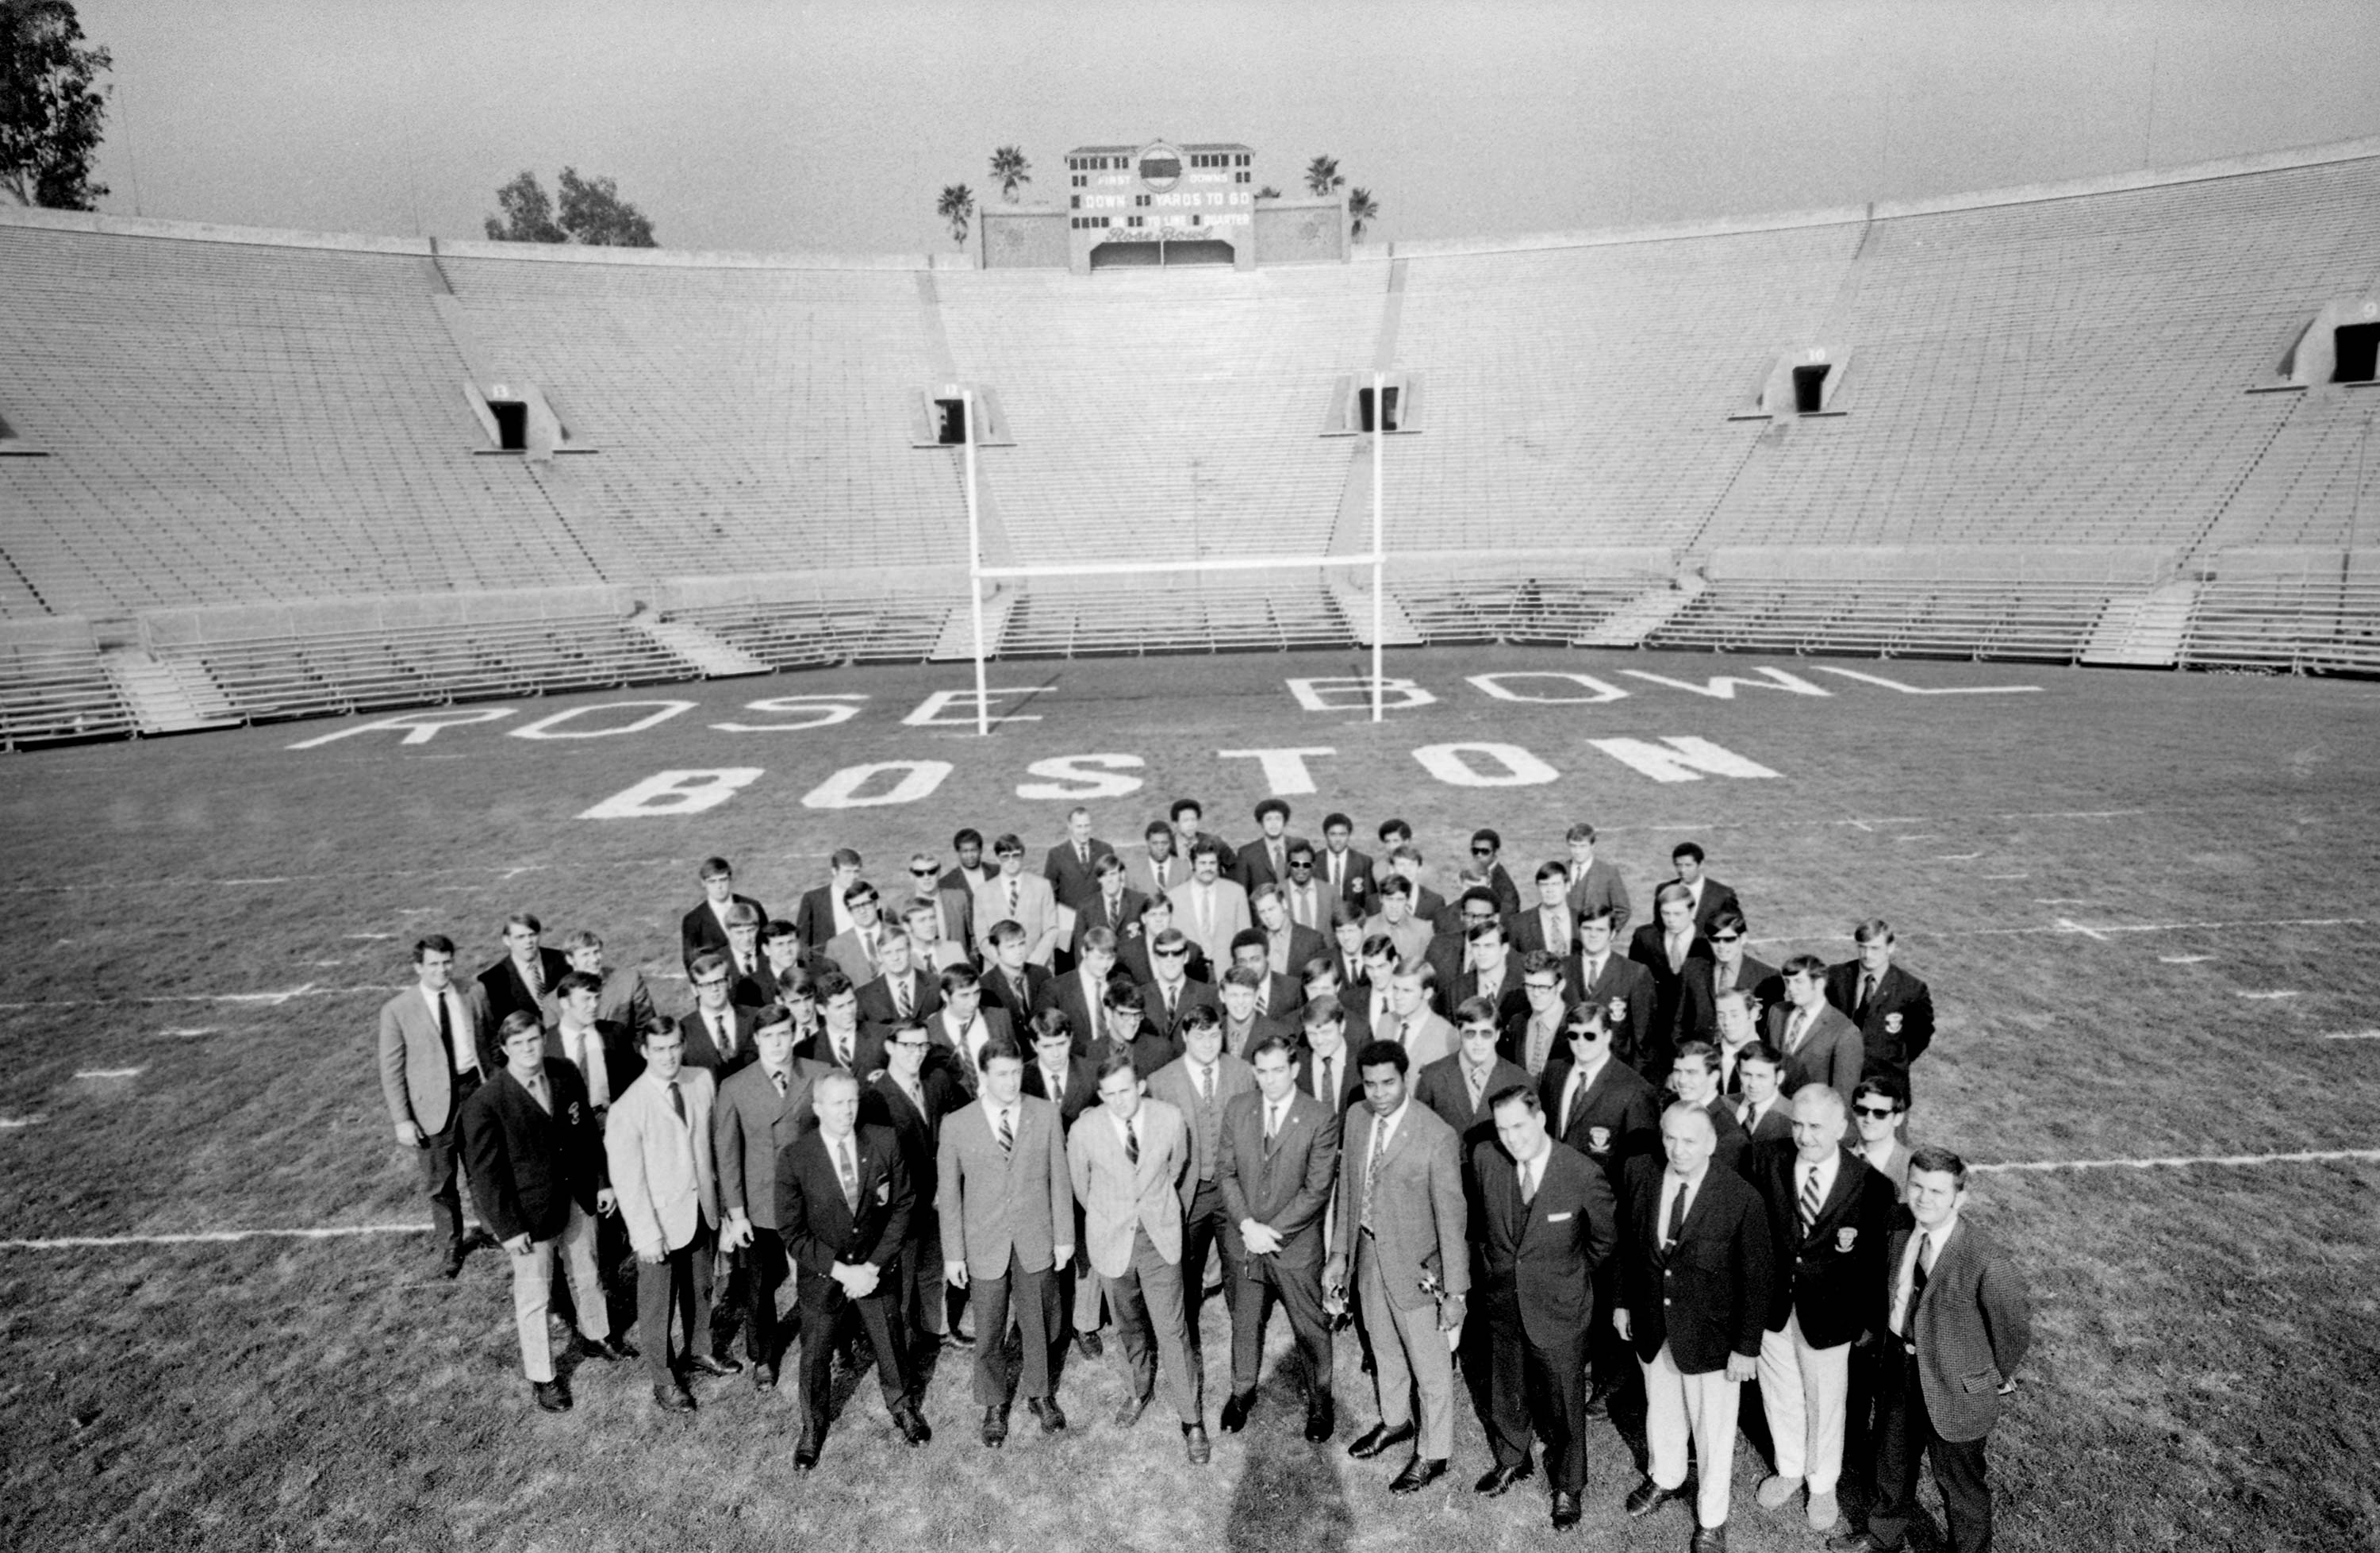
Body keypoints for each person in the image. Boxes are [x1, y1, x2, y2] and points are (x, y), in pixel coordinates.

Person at [1829, 1148, 2032, 1553]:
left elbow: (2012, 1330)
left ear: (1959, 1198)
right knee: (1892, 1460)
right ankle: (1883, 1533)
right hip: (1897, 1368)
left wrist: (1987, 1377)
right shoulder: (1899, 1226)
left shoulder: (1986, 1259)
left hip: (1956, 1386)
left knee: (1960, 1481)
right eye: (1916, 1186)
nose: (1923, 1198)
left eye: (1937, 1191)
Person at [1616, 1102, 1773, 1553]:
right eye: (1670, 1138)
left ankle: (1711, 1517)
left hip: (1713, 1341)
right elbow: (1630, 1247)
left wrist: (1746, 1347)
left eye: (1689, 1140)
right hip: (1653, 1327)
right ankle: (1666, 1477)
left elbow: (1758, 1279)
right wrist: (1624, 1304)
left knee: (1713, 1430)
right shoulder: (1644, 1178)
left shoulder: (1741, 1198)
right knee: (1661, 1411)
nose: (1677, 1149)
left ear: (1710, 1144)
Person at [1746, 1085, 1898, 1535]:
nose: (1805, 1136)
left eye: (1816, 1127)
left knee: (1826, 1401)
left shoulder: (1871, 1185)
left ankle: (1823, 1482)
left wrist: (1869, 1321)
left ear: (1841, 1128)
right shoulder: (1767, 1161)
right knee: (1781, 1391)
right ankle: (1790, 1467)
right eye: (1797, 1124)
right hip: (1775, 1307)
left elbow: (1875, 1264)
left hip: (1831, 1315)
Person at [459, 1011, 629, 1412]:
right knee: (534, 1297)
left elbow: (587, 1130)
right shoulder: (487, 1101)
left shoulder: (564, 1071)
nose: (529, 1050)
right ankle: (543, 1376)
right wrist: (509, 1228)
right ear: (504, 1050)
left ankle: (595, 1335)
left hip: (577, 1197)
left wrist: (603, 1181)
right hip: (528, 1217)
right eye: (519, 1044)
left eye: (535, 1040)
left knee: (586, 1271)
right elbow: (487, 1175)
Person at [1470, 1085, 1617, 1532]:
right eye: (1503, 1129)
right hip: (1503, 1302)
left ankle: (1569, 1484)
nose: (1511, 1138)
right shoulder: (1485, 1160)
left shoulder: (1581, 1173)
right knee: (1506, 1383)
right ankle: (1512, 1457)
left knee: (1564, 1401)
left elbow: (1604, 1241)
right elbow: (1482, 1225)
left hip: (1559, 1308)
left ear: (1541, 1120)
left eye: (1519, 1126)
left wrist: (1566, 1277)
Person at [1326, 1039, 1468, 1495]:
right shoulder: (1356, 1117)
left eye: (1388, 1082)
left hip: (1417, 1271)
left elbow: (1452, 1222)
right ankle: (1396, 1422)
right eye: (1370, 1084)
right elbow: (1349, 1190)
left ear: (1405, 1078)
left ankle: (1433, 1452)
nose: (1379, 1092)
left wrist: (1454, 1293)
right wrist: (1339, 1254)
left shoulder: (1436, 1135)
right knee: (1384, 1348)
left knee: (1430, 1369)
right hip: (1368, 1256)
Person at [777, 1069, 932, 1465]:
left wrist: (874, 1266)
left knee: (890, 1341)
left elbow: (903, 1206)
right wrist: (843, 1271)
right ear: (818, 1108)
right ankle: (813, 1426)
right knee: (815, 1355)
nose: (846, 1111)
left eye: (852, 1101)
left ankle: (903, 1407)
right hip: (824, 1277)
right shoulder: (796, 1157)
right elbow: (792, 1231)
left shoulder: (884, 1140)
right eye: (836, 1103)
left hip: (875, 1272)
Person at [1068, 1051, 1207, 1464]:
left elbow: (1178, 1165)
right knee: (1129, 1328)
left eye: (1125, 1091)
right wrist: (1110, 1216)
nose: (1119, 1101)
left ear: (1140, 1087)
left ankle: (1191, 1419)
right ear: (1099, 1095)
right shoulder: (1083, 1130)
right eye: (1109, 1094)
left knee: (1174, 1330)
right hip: (1113, 1242)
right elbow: (1082, 1187)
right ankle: (1137, 1390)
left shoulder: (1169, 1118)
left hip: (1159, 1239)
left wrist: (1159, 1210)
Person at [938, 1034, 1075, 1446]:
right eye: (1002, 1074)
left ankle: (1040, 1393)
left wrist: (1064, 1237)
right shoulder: (957, 1124)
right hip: (984, 1243)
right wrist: (953, 1254)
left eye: (1017, 1072)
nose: (1011, 1082)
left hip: (1036, 1237)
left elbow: (1060, 1179)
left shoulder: (1045, 1114)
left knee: (1038, 1322)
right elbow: (950, 1196)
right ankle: (995, 1402)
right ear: (984, 1076)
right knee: (990, 1327)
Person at [606, 1018, 740, 1411]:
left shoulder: (701, 1080)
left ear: (683, 1046)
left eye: (674, 1047)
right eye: (659, 1049)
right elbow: (629, 1180)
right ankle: (664, 1380)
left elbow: (714, 1146)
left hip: (702, 1210)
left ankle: (700, 1349)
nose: (668, 1056)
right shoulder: (628, 1107)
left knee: (701, 1287)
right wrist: (645, 1234)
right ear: (645, 1052)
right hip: (660, 1224)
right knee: (657, 1305)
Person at [1215, 1032, 1342, 1442]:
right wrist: (1248, 1226)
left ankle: (1321, 1402)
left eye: (1278, 1071)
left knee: (1310, 1330)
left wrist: (1270, 1232)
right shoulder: (1238, 1109)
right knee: (1245, 1322)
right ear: (1254, 1071)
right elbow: (1227, 1173)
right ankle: (1241, 1392)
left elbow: (1317, 1189)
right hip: (1246, 1244)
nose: (1270, 1080)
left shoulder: (1320, 1116)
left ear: (1294, 1069)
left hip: (1295, 1249)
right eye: (1262, 1072)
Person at [1539, 1004, 1662, 1417]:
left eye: (1589, 1036)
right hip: (1559, 1204)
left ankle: (1612, 1382)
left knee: (1609, 1296)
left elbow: (1641, 1169)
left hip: (1606, 1212)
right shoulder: (1556, 1074)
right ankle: (1575, 1365)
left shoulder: (1633, 1089)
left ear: (1608, 1036)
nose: (1580, 1044)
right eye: (1573, 1035)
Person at [712, 1005, 827, 1390]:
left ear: (793, 1034)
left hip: (808, 1201)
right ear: (757, 1040)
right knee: (759, 1286)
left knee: (817, 1275)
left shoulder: (817, 1075)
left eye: (784, 1034)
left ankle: (827, 1343)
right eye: (769, 1037)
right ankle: (763, 1356)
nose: (778, 1044)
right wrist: (737, 1212)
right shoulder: (735, 1086)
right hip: (759, 1207)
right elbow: (727, 1156)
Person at [377, 935, 497, 1279]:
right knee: (440, 1182)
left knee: (482, 1167)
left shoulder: (473, 992)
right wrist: (402, 1120)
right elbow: (392, 1070)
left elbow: (490, 1041)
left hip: (474, 1090)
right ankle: (451, 1244)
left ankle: (492, 1230)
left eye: (447, 962)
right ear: (419, 967)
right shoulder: (398, 1010)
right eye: (433, 964)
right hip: (430, 1106)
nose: (442, 970)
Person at [1146, 1005, 1257, 1372]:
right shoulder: (1161, 1082)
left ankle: (1244, 1362)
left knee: (1240, 1276)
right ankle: (1186, 1354)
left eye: (1214, 1035)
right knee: (1185, 1277)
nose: (1208, 1043)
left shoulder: (1243, 1073)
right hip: (1187, 1195)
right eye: (1199, 1036)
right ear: (1184, 1037)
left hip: (1232, 1192)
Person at [865, 1017, 968, 1355]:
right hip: (903, 1205)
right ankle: (900, 1343)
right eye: (908, 1046)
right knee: (902, 1276)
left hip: (940, 1199)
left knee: (933, 1266)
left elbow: (958, 1128)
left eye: (922, 1045)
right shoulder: (876, 1097)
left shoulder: (937, 1081)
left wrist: (946, 1184)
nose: (917, 1053)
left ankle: (932, 1329)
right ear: (891, 1047)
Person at [1019, 1009, 1104, 1359]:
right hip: (1039, 1181)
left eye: (1062, 1044)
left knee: (1088, 1251)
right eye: (1047, 1046)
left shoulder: (1090, 1071)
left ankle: (1084, 1324)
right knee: (1045, 1255)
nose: (1055, 1053)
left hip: (1085, 1177)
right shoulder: (1022, 1078)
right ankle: (1052, 1326)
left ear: (1071, 1039)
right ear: (1033, 1043)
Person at [1825, 921, 1936, 1103]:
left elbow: (1921, 1034)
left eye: (1875, 948)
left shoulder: (1911, 989)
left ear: (1890, 947)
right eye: (1862, 947)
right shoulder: (1836, 977)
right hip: (1840, 1082)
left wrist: (1891, 1058)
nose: (1867, 955)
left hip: (1887, 1087)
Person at [1414, 996, 1530, 1155]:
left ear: (1497, 1035)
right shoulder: (1432, 1077)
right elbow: (1419, 1139)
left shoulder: (1520, 1080)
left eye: (1486, 1034)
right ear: (1458, 1033)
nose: (1478, 1042)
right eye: (1470, 1033)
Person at [1629, 882, 1716, 1083]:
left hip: (1692, 1032)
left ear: (1692, 910)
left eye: (1677, 914)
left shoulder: (1707, 942)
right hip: (1655, 1033)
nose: (1670, 920)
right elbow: (1635, 982)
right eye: (1665, 913)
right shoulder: (1645, 937)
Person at [1571, 904, 1655, 1073]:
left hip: (1615, 1071)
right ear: (1579, 930)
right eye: (1587, 928)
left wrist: (1632, 1080)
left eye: (1600, 930)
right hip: (1571, 1067)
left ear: (1613, 934)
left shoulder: (1635, 972)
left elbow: (1643, 1040)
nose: (1593, 935)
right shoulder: (1564, 968)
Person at [1772, 955, 1865, 1101]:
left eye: (1798, 982)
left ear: (1820, 983)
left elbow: (1843, 1096)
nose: (1790, 989)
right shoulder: (1777, 1012)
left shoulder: (1846, 1032)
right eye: (1787, 982)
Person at [548, 971, 640, 1115]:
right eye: (586, 999)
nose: (594, 1005)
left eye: (597, 998)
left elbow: (633, 1079)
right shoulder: (546, 1043)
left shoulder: (615, 1033)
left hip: (613, 1121)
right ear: (565, 1003)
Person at [975, 833, 1062, 967]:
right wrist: (1003, 964)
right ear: (997, 858)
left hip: (1037, 966)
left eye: (1015, 855)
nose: (1011, 861)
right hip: (998, 969)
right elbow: (982, 937)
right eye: (1005, 857)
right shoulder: (983, 892)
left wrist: (1033, 963)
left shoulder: (1042, 886)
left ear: (1022, 855)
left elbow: (1051, 929)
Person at [561, 929, 660, 1041]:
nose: (594, 959)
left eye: (596, 952)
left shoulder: (629, 981)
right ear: (570, 959)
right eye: (585, 955)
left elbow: (647, 1029)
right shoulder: (556, 999)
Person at [1668, 1040, 1750, 1174]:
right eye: (1678, 1071)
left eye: (1691, 1072)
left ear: (1714, 1077)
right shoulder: (1671, 1106)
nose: (1682, 1080)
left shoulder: (1728, 1135)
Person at [1170, 838, 1252, 971]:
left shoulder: (1236, 893)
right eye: (1202, 863)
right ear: (1192, 865)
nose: (1208, 868)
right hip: (1190, 973)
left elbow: (1245, 938)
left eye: (1212, 863)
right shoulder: (1174, 897)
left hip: (1228, 972)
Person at [479, 913, 571, 1030]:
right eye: (520, 937)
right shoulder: (493, 979)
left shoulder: (563, 960)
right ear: (507, 940)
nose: (528, 941)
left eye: (532, 935)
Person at [678, 951, 758, 1078]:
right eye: (706, 985)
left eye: (719, 981)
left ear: (729, 982)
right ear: (695, 989)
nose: (714, 989)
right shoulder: (683, 1030)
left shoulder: (754, 1018)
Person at [681, 855, 766, 975]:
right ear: (703, 883)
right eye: (712, 881)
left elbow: (767, 942)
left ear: (730, 879)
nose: (719, 886)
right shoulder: (693, 920)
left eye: (723, 880)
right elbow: (691, 961)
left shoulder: (753, 906)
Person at [1503, 951, 1571, 1079]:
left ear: (1560, 985)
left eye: (1544, 987)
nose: (1535, 994)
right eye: (1530, 986)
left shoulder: (1576, 1023)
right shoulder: (1517, 1023)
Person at [1295, 996, 1365, 1114]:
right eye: (1311, 1034)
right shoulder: (1296, 1062)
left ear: (1342, 1026)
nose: (1319, 1041)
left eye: (1326, 1032)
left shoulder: (1362, 1061)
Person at [1381, 963, 1456, 1068]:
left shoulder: (1446, 1034)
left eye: (1407, 990)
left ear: (1427, 993)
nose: (1397, 996)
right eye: (1395, 988)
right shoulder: (1385, 1021)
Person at [1043, 804, 1116, 910]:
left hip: (1099, 918)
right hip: (1070, 919)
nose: (1084, 831)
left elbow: (1114, 885)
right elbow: (1049, 893)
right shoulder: (1056, 855)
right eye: (1079, 826)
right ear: (1070, 826)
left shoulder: (1105, 850)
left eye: (1087, 826)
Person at [1563, 823, 1631, 936]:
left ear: (1592, 846)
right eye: (1573, 846)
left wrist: (1609, 933)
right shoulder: (1561, 870)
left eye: (1582, 846)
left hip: (1593, 939)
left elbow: (1623, 910)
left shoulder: (1608, 873)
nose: (1577, 851)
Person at [793, 848, 865, 952]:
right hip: (827, 964)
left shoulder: (867, 897)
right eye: (847, 872)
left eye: (856, 871)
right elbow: (802, 941)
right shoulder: (813, 900)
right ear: (834, 871)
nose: (853, 877)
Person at [1664, 842, 1742, 936]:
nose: (1682, 870)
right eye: (1678, 865)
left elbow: (1737, 927)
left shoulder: (1723, 894)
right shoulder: (1664, 890)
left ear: (1701, 864)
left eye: (1688, 865)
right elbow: (1659, 926)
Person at [1234, 797, 1306, 895]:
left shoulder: (1300, 845)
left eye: (1278, 818)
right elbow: (1241, 892)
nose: (1274, 824)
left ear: (1285, 822)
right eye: (1268, 819)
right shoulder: (1247, 854)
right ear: (1261, 823)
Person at [1317, 811, 1376, 921]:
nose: (1338, 840)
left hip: (1352, 923)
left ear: (1349, 835)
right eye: (1333, 834)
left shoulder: (1363, 862)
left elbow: (1370, 901)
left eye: (1342, 834)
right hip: (1322, 923)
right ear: (1325, 835)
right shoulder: (1315, 861)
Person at [1733, 1041, 1794, 1147]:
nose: (1753, 1084)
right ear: (1738, 1073)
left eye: (1761, 1076)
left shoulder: (1793, 1116)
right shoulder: (1722, 1105)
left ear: (1779, 1077)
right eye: (1747, 1075)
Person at [1512, 860, 1576, 959]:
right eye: (1544, 885)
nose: (1549, 890)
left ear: (1567, 886)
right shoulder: (1519, 924)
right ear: (1538, 887)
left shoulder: (1582, 920)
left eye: (1555, 884)